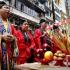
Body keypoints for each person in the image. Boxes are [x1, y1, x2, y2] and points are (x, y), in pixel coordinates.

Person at [0, 1, 18, 70]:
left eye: (9, 8)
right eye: (6, 8)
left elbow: (16, 37)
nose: (8, 10)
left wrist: (13, 39)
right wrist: (1, 37)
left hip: (8, 55)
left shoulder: (11, 25)